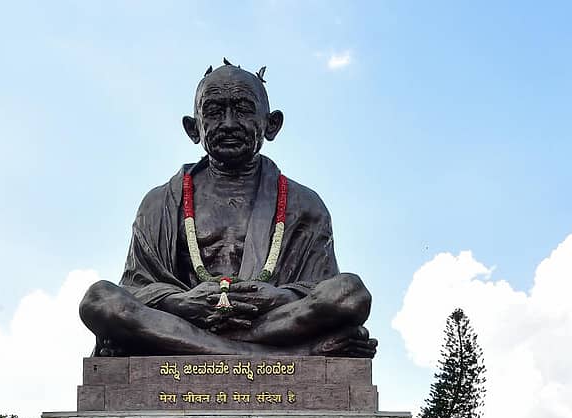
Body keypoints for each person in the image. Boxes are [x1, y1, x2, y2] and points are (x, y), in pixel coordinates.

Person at [79, 62, 375, 358]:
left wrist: (277, 297)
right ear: (193, 128)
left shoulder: (304, 204)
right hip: (185, 317)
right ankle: (288, 356)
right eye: (214, 111)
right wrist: (181, 303)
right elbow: (136, 287)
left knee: (351, 293)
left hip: (267, 320)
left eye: (244, 109)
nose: (229, 123)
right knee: (98, 300)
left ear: (271, 125)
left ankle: (205, 348)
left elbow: (320, 290)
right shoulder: (159, 203)